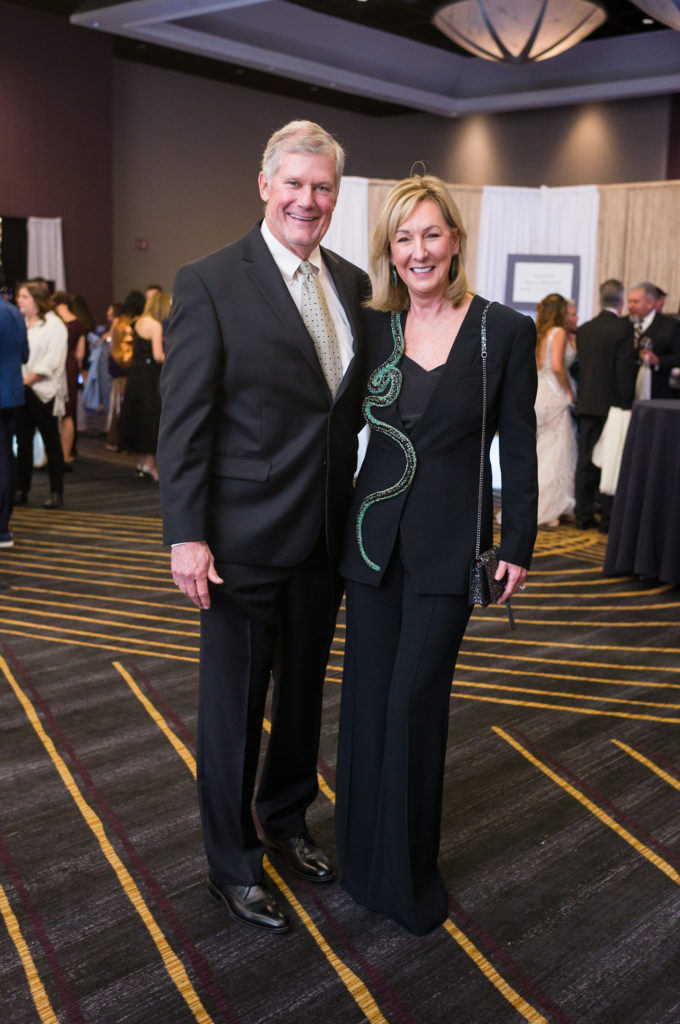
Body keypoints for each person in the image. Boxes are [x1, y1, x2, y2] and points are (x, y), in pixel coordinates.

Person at [157, 120, 369, 934]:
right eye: (295, 184)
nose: (307, 200)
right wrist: (185, 533)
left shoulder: (352, 284)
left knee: (304, 699)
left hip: (324, 537)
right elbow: (185, 423)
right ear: (264, 186)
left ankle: (286, 822)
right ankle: (231, 862)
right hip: (236, 542)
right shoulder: (210, 281)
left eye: (322, 187)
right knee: (234, 711)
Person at [336, 174, 538, 936]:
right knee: (364, 704)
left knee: (413, 708)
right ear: (390, 251)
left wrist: (517, 540)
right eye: (403, 238)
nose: (418, 250)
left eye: (430, 234)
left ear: (455, 240)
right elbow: (334, 427)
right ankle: (360, 859)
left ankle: (406, 872)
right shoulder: (375, 328)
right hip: (368, 544)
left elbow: (517, 448)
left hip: (450, 549)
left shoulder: (503, 332)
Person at [574, 279, 635, 532]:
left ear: (600, 299)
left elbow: (581, 368)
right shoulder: (623, 328)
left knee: (586, 460)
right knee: (610, 462)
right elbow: (624, 370)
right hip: (612, 406)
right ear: (621, 301)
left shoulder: (585, 329)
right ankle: (607, 521)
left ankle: (583, 515)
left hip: (587, 402)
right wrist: (627, 404)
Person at [14, 281, 68, 509]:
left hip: (43, 391)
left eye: (24, 296)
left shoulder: (54, 325)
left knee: (51, 443)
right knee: (23, 443)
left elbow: (53, 359)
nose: (19, 300)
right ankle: (21, 489)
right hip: (22, 389)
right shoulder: (21, 323)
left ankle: (57, 492)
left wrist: (29, 379)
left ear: (37, 300)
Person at [533, 293, 577, 527]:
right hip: (554, 392)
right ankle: (550, 506)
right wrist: (569, 390)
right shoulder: (558, 333)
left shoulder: (539, 332)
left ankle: (537, 503)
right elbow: (558, 367)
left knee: (543, 449)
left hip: (540, 392)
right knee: (558, 449)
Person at [117, 290, 170, 481]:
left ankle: (141, 462)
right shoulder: (155, 325)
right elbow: (157, 355)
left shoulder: (139, 322)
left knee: (138, 417)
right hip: (149, 376)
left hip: (136, 374)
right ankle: (150, 465)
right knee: (151, 417)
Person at [0, 294, 29, 547]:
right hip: (10, 393)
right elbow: (24, 355)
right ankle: (4, 524)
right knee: (6, 457)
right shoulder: (14, 313)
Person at [627, 281, 680, 400]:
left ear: (650, 303)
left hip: (656, 393)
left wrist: (658, 360)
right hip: (626, 394)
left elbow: (677, 356)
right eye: (629, 301)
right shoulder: (623, 323)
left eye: (635, 302)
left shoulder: (670, 326)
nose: (630, 306)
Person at [106, 290, 144, 449]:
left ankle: (116, 440)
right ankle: (123, 441)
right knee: (125, 407)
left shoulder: (120, 322)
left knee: (117, 406)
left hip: (116, 365)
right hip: (129, 368)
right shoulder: (132, 324)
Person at [51, 291, 86, 466]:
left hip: (54, 364)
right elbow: (81, 353)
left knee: (51, 410)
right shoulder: (79, 324)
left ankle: (49, 454)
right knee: (68, 411)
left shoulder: (53, 321)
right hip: (70, 364)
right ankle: (66, 454)